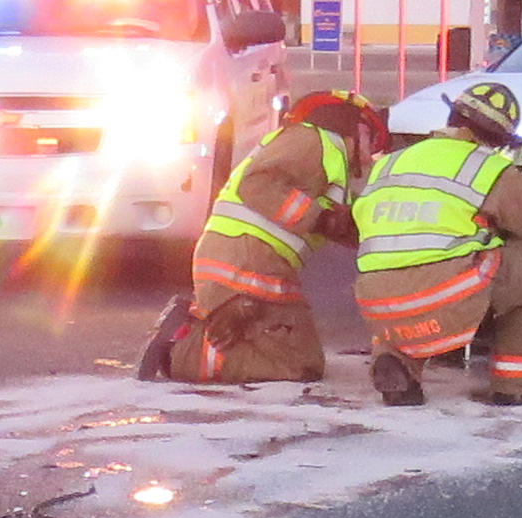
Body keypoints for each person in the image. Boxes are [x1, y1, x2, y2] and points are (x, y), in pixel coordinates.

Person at [142, 93, 389, 384]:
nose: (373, 152)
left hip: (258, 266)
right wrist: (320, 218)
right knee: (300, 367)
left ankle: (215, 331)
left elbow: (339, 222)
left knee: (303, 360)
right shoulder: (310, 140)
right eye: (371, 137)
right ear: (350, 125)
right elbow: (258, 184)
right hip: (241, 265)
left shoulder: (330, 163)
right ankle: (182, 353)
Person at [352, 78, 522, 408]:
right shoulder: (487, 167)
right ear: (500, 139)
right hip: (444, 299)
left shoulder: (391, 162)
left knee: (406, 273)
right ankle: (515, 384)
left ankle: (397, 361)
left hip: (376, 304)